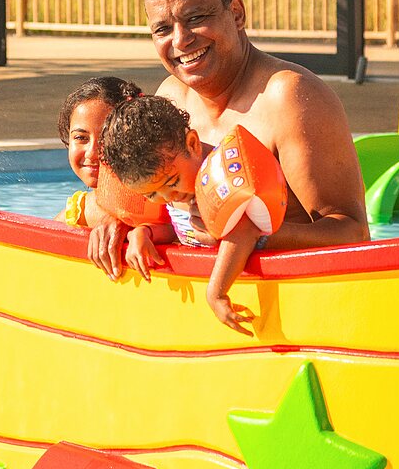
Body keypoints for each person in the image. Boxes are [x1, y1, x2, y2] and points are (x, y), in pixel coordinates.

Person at [88, 0, 369, 278]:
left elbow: (352, 234)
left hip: (296, 303)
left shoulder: (288, 99)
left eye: (195, 18)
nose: (180, 40)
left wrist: (246, 238)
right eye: (163, 29)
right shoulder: (171, 96)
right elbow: (152, 202)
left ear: (236, 13)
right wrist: (121, 221)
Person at [101, 95, 277, 334]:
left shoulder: (218, 179)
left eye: (172, 182)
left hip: (262, 287)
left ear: (193, 144)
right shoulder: (176, 187)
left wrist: (217, 292)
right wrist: (146, 232)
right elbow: (182, 228)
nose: (168, 198)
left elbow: (244, 231)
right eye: (152, 195)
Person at [55, 77, 174, 280]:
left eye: (106, 138)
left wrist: (138, 225)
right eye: (80, 138)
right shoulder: (78, 211)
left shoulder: (168, 197)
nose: (92, 153)